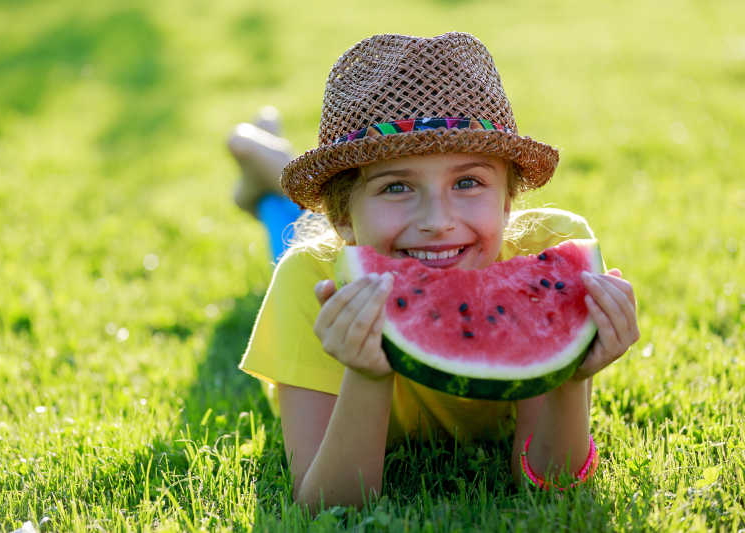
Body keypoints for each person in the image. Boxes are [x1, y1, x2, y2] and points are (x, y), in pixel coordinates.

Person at [234, 32, 639, 511]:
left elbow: (546, 485)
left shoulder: (548, 250)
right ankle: (256, 155)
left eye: (467, 182)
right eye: (396, 187)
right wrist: (366, 375)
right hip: (332, 247)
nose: (437, 221)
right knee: (289, 229)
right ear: (342, 217)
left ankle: (265, 160)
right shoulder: (312, 281)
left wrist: (570, 378)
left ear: (507, 203)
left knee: (322, 221)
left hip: (383, 238)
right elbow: (325, 504)